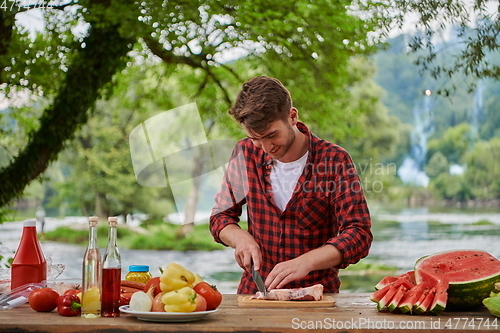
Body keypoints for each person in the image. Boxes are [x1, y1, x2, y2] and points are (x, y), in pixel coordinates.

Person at [209, 76, 373, 294]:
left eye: (271, 135)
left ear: (292, 116)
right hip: (255, 295)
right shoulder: (245, 152)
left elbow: (359, 233)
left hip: (316, 297)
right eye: (255, 138)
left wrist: (307, 261)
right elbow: (220, 217)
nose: (265, 147)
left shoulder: (335, 160)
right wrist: (240, 239)